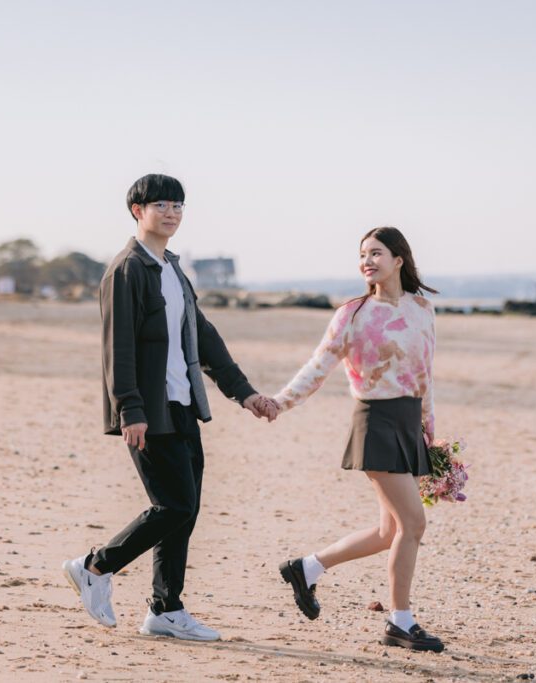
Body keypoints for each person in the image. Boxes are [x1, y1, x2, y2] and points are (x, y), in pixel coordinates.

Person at [62, 173, 276, 641]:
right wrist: (130, 410)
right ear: (137, 211)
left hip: (181, 406)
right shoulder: (126, 269)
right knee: (174, 504)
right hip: (148, 410)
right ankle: (95, 566)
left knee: (186, 508)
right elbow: (117, 348)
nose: (172, 212)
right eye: (161, 204)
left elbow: (203, 338)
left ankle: (165, 608)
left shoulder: (172, 269)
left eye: (178, 204)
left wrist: (244, 393)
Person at [272, 226, 445, 652]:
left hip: (408, 424)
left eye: (376, 253)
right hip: (376, 422)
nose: (367, 261)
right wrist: (280, 401)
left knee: (390, 531)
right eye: (363, 255)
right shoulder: (352, 313)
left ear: (399, 259)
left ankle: (307, 568)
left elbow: (425, 374)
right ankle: (400, 622)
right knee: (414, 524)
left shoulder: (423, 309)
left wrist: (429, 427)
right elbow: (319, 365)